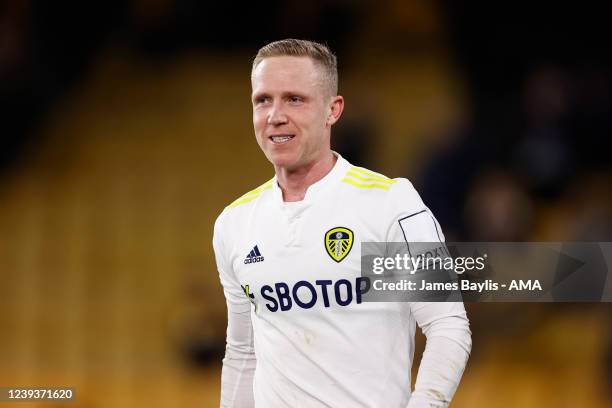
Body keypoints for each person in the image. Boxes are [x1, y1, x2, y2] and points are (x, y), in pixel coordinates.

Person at [213, 39, 471, 407]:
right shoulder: (235, 224)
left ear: (333, 110)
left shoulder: (388, 204)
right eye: (263, 100)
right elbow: (243, 353)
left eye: (295, 99)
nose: (275, 115)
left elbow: (447, 326)